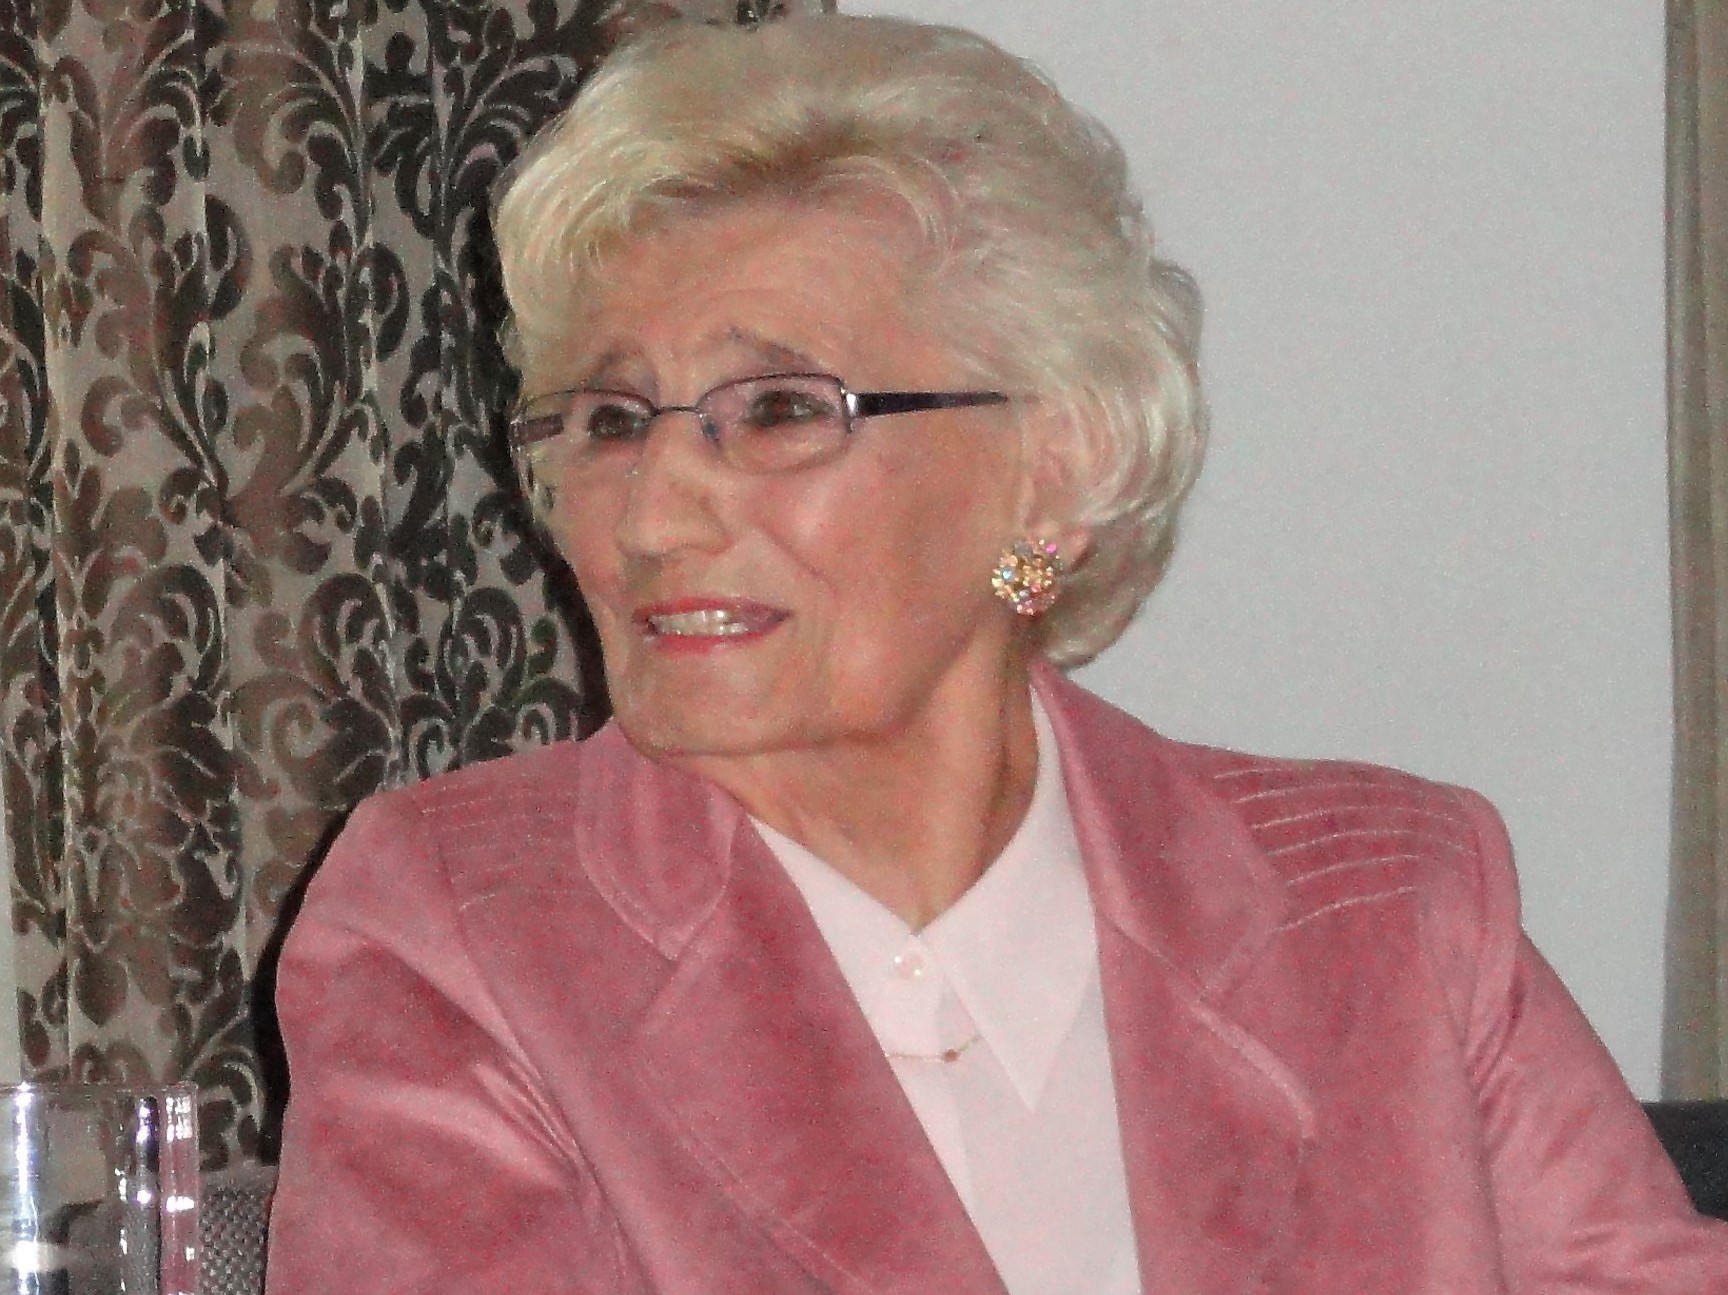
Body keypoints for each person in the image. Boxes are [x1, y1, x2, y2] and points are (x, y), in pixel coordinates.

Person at [263, 13, 1728, 1294]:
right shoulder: (468, 924)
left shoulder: (1389, 904)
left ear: (1056, 469)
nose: (652, 516)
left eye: (780, 411)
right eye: (609, 421)